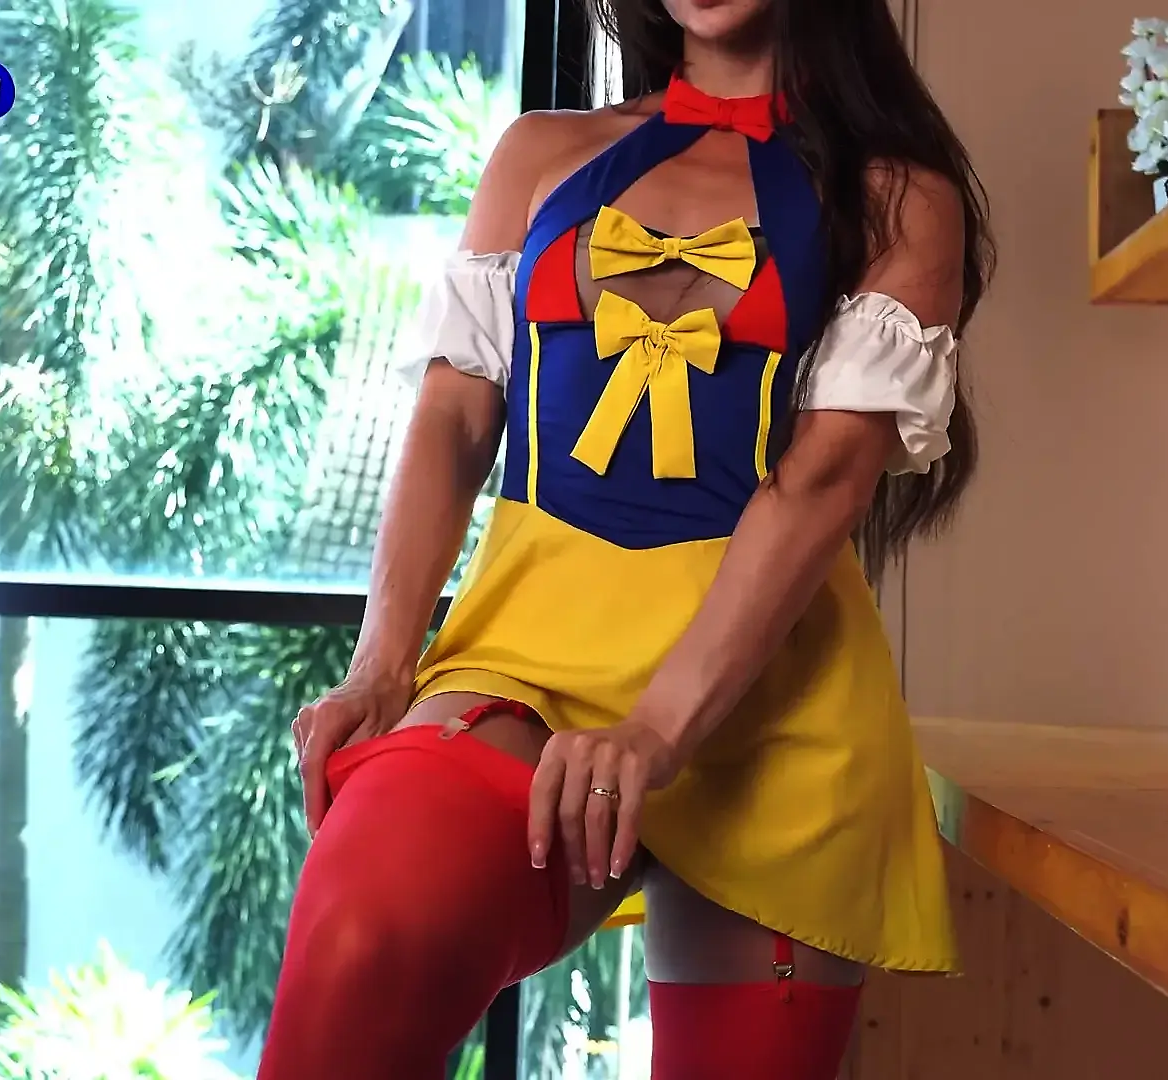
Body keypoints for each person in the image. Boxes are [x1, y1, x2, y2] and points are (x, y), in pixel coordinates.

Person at [259, 0, 992, 1074]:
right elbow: (454, 417)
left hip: (776, 706)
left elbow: (822, 482)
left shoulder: (900, 199)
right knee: (363, 939)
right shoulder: (539, 155)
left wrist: (655, 731)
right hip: (526, 653)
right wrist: (382, 665)